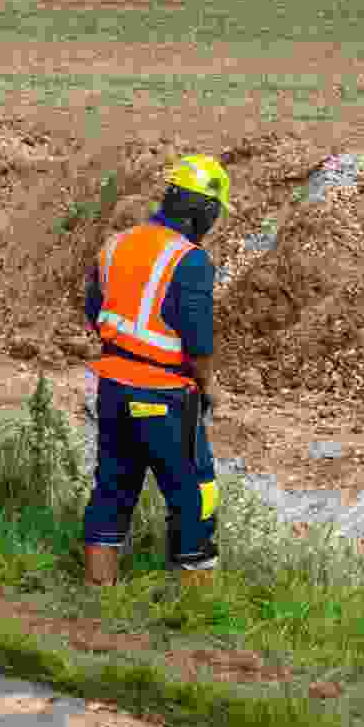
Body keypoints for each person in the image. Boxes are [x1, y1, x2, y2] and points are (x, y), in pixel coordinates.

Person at [80, 153, 229, 586]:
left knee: (112, 489)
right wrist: (210, 386)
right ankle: (195, 610)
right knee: (195, 496)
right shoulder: (190, 261)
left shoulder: (117, 243)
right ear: (204, 211)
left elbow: (96, 308)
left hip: (112, 387)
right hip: (164, 396)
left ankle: (97, 595)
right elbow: (198, 341)